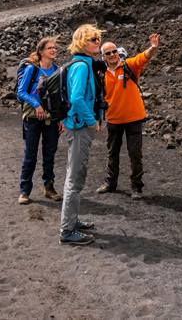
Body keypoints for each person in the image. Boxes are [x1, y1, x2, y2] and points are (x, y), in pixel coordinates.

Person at [96, 34, 159, 200]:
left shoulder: (129, 66)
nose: (112, 55)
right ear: (103, 57)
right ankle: (110, 183)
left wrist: (153, 47)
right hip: (113, 119)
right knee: (112, 153)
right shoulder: (100, 74)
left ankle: (136, 187)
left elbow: (143, 57)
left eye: (114, 51)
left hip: (134, 118)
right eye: (108, 53)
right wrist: (98, 118)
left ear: (118, 51)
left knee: (135, 153)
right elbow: (98, 97)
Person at [59, 24, 104, 246]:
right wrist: (91, 120)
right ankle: (67, 230)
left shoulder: (86, 64)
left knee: (76, 175)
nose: (97, 42)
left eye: (98, 39)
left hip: (78, 126)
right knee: (75, 178)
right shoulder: (82, 66)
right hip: (79, 127)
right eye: (92, 39)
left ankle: (72, 221)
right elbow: (76, 98)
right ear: (81, 43)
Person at [17, 36, 62, 205]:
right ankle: (24, 191)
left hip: (51, 119)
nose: (53, 50)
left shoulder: (58, 70)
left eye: (55, 48)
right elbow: (21, 92)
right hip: (33, 118)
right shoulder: (32, 70)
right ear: (41, 51)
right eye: (50, 48)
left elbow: (60, 98)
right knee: (30, 154)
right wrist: (36, 105)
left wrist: (61, 119)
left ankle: (49, 188)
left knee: (49, 154)